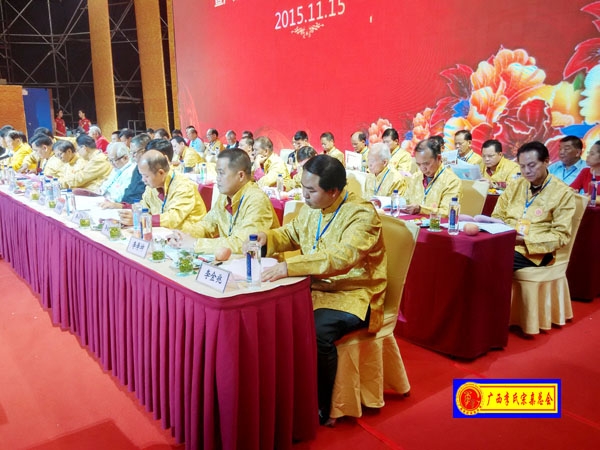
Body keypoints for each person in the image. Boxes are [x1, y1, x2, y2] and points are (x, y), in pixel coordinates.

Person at [254, 154, 387, 426]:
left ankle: (321, 406)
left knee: (317, 331)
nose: (304, 195)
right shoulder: (314, 206)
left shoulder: (362, 214)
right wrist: (267, 237)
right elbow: (291, 234)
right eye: (303, 187)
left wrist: (290, 267)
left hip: (353, 293)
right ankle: (286, 389)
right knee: (270, 311)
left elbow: (341, 257)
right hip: (315, 286)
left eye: (311, 190)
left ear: (333, 191)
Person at [170, 149, 280, 253]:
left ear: (241, 175)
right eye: (217, 173)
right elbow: (208, 224)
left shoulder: (257, 200)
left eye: (221, 173)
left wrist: (196, 244)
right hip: (230, 258)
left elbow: (244, 244)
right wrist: (184, 235)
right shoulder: (225, 197)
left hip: (259, 263)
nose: (217, 178)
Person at [492, 141, 576, 271]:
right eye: (522, 166)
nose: (526, 171)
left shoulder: (563, 192)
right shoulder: (515, 185)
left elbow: (561, 236)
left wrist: (523, 240)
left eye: (532, 165)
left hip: (536, 253)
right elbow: (497, 216)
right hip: (506, 243)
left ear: (546, 161)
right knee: (474, 254)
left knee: (494, 260)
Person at [118, 149, 207, 230]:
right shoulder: (153, 185)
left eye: (146, 176)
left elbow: (173, 218)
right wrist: (124, 209)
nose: (143, 180)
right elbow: (144, 206)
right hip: (165, 232)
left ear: (160, 172)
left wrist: (141, 219)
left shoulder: (183, 185)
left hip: (189, 234)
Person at [403, 139, 462, 216]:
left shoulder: (452, 181)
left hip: (435, 223)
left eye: (426, 164)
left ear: (439, 158)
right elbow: (405, 201)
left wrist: (421, 209)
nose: (422, 169)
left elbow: (448, 212)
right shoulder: (415, 177)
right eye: (419, 164)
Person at [100, 133, 150, 208]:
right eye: (110, 160)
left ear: (125, 158)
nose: (132, 156)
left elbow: (132, 196)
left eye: (114, 160)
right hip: (124, 205)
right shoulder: (132, 168)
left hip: (130, 207)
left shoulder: (135, 169)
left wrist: (121, 206)